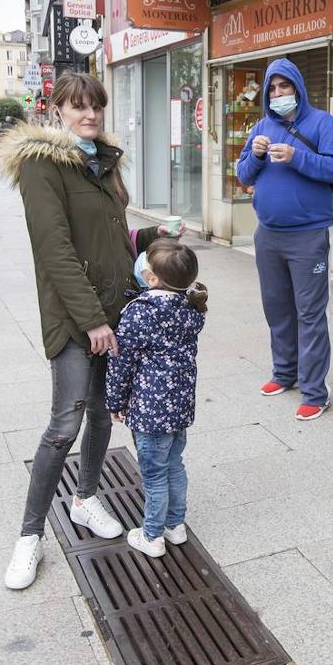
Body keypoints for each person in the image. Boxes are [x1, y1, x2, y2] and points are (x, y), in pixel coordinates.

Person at [0, 72, 174, 589]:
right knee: (64, 424)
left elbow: (112, 238)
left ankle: (86, 498)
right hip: (76, 316)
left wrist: (152, 235)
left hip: (118, 307)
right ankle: (29, 538)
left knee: (102, 413)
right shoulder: (41, 164)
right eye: (77, 107)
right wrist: (92, 319)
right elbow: (54, 250)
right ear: (57, 111)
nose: (89, 115)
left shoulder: (106, 162)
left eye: (95, 106)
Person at [236, 58, 333, 421]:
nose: (277, 93)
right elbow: (242, 175)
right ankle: (284, 373)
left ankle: (315, 391)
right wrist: (254, 156)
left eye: (284, 86)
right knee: (277, 309)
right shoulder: (261, 126)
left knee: (310, 313)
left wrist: (298, 156)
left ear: (298, 88)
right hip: (268, 235)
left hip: (307, 236)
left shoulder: (322, 123)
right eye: (272, 88)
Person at [106, 239, 209, 558]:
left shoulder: (140, 311)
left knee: (153, 473)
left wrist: (114, 401)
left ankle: (151, 535)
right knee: (174, 464)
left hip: (150, 410)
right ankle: (175, 526)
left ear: (151, 278)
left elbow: (122, 361)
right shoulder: (192, 307)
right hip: (179, 406)